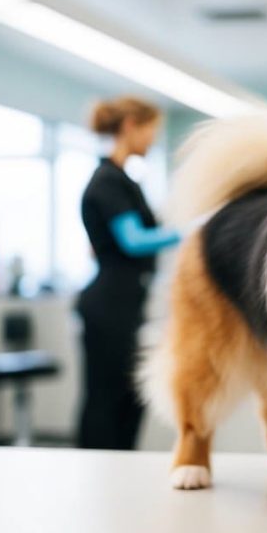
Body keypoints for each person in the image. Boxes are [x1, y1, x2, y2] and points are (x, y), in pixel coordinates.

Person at [77, 96, 180, 449]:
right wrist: (194, 228)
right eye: (151, 130)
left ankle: (119, 468)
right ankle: (97, 471)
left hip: (123, 302)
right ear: (130, 126)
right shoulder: (107, 181)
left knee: (128, 398)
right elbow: (134, 241)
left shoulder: (123, 180)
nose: (152, 139)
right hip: (108, 305)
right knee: (106, 398)